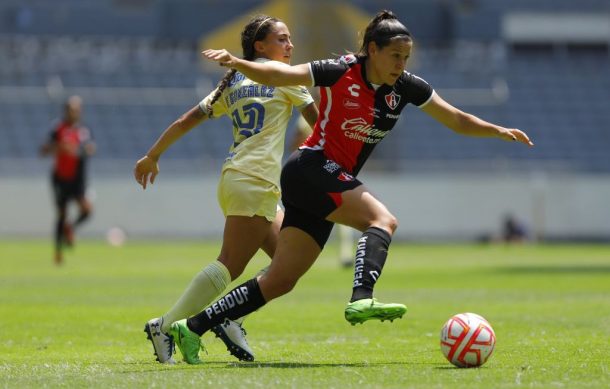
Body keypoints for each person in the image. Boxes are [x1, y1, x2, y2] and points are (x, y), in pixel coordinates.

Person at [169, 9, 534, 364]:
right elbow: (283, 74)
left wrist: (497, 129)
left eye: (406, 57)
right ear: (372, 50)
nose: (400, 64)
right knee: (382, 220)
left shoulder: (406, 87)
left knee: (280, 279)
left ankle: (193, 326)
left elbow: (456, 119)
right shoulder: (340, 69)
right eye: (394, 55)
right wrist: (239, 61)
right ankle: (362, 296)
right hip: (309, 167)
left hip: (320, 180)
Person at [134, 15, 318, 364]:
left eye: (290, 39)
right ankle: (166, 324)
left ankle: (231, 316)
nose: (290, 46)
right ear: (260, 46)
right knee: (230, 265)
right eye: (282, 39)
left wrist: (153, 155)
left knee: (287, 268)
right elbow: (319, 122)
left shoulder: (234, 80)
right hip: (256, 181)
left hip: (238, 177)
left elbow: (186, 119)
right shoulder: (283, 77)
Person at [40, 95, 95, 265]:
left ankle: (70, 228)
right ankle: (58, 252)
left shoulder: (83, 130)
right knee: (62, 214)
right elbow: (43, 150)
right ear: (66, 111)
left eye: (78, 110)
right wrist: (60, 147)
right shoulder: (58, 129)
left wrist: (82, 150)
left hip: (78, 179)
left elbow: (89, 149)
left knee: (87, 210)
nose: (76, 112)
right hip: (60, 178)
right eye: (73, 109)